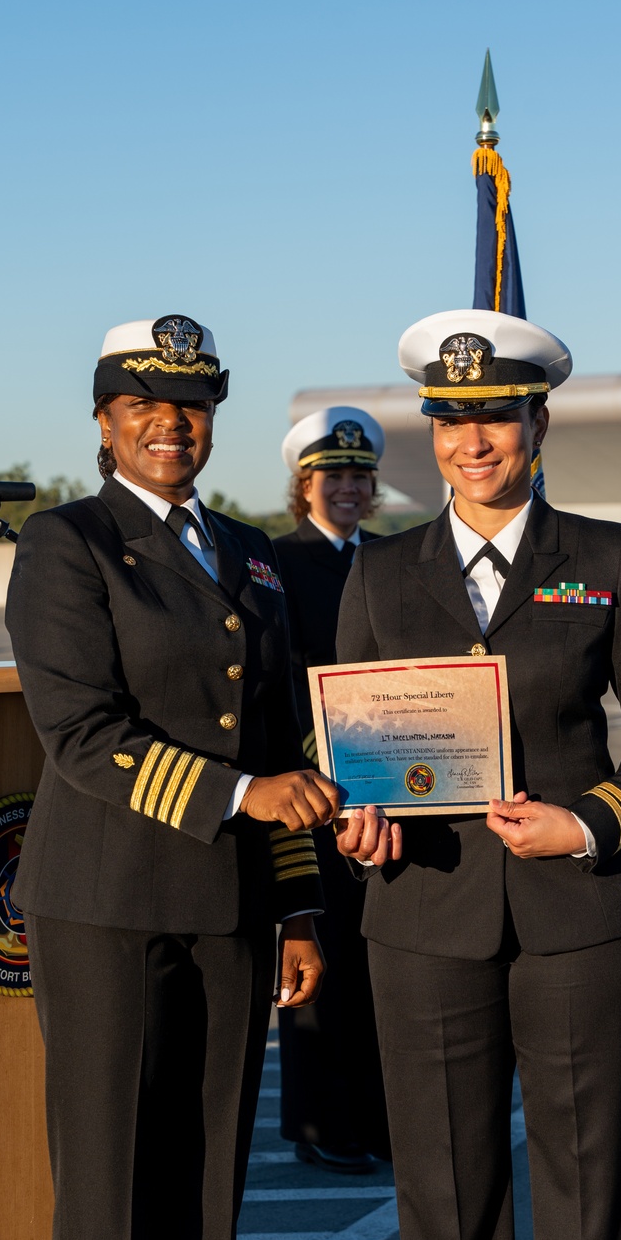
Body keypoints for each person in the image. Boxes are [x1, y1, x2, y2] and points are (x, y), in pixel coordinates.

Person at [334, 309, 621, 1240]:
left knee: (590, 1205)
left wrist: (588, 821)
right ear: (431, 432)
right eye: (450, 420)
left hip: (578, 921)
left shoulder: (605, 558)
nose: (472, 440)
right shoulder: (380, 569)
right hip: (422, 921)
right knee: (445, 1216)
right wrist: (359, 823)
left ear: (537, 422)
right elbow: (349, 740)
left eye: (494, 416)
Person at [5, 314, 340, 1240]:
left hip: (232, 910)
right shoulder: (68, 544)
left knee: (209, 1184)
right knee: (110, 1193)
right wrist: (240, 798)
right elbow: (80, 731)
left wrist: (298, 905)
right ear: (103, 421)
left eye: (190, 405)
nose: (170, 424)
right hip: (107, 908)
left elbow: (282, 733)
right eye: (144, 404)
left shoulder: (246, 551)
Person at [273, 407, 391, 1172]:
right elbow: (278, 680)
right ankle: (319, 1128)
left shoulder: (394, 560)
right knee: (318, 954)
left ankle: (379, 1121)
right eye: (332, 476)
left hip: (387, 782)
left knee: (383, 960)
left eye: (358, 477)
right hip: (312, 788)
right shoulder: (274, 564)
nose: (347, 489)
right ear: (303, 485)